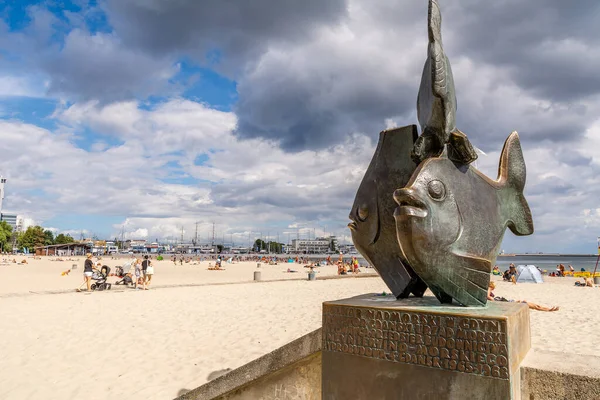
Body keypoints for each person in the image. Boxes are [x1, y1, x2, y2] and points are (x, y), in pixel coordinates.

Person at [487, 282, 559, 311]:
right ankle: (548, 309)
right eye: (493, 288)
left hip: (510, 302)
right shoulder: (490, 292)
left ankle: (549, 309)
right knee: (533, 306)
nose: (493, 290)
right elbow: (488, 297)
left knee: (534, 305)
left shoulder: (492, 294)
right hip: (510, 303)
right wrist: (490, 289)